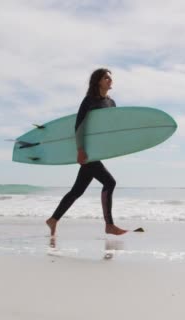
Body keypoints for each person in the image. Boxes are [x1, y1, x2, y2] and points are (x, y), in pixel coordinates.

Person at [46, 68, 127, 236]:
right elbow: (79, 126)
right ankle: (109, 225)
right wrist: (80, 149)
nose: (110, 81)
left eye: (110, 78)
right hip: (87, 151)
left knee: (77, 191)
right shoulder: (89, 100)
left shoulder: (111, 103)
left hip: (96, 152)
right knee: (110, 183)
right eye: (106, 78)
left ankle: (53, 219)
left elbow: (112, 128)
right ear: (98, 81)